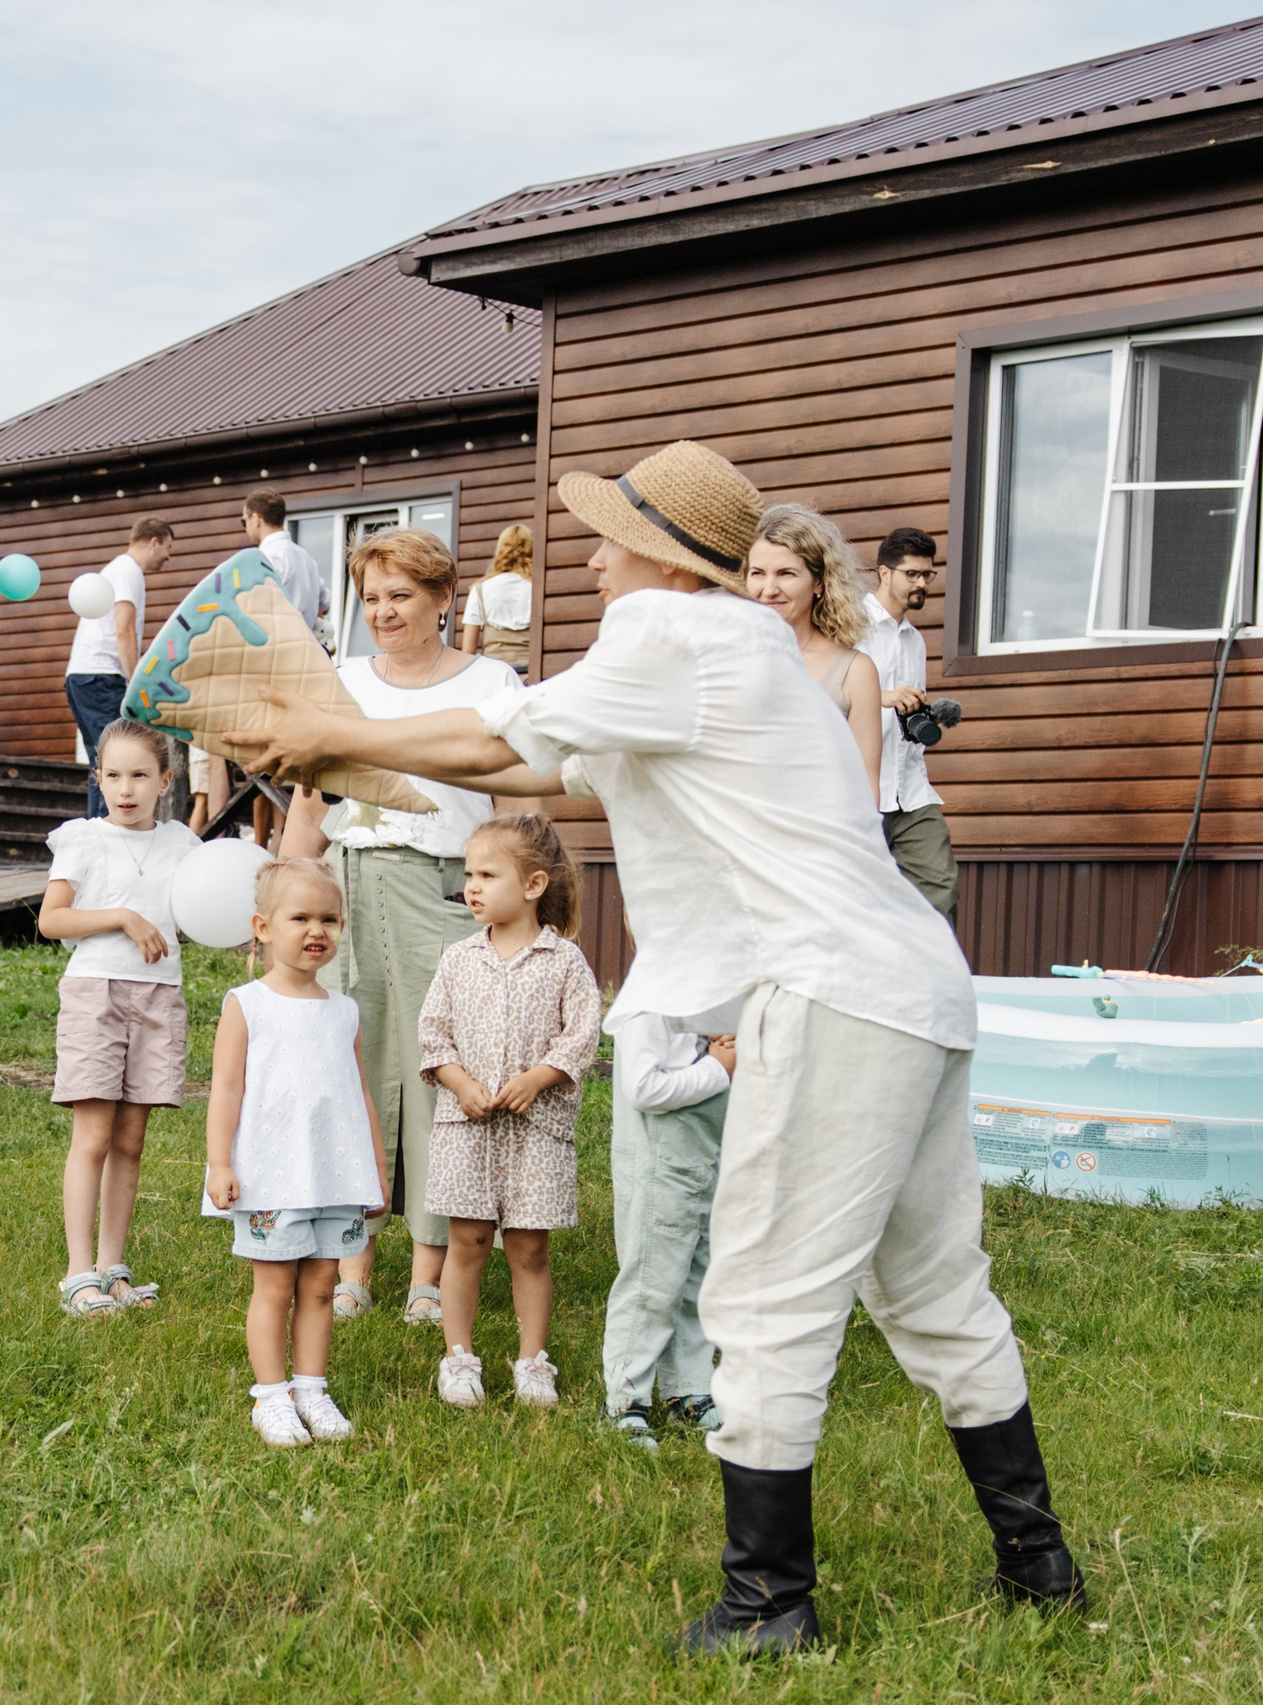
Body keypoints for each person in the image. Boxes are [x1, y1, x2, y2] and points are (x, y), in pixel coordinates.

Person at [246, 439, 1080, 1652]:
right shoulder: (740, 652)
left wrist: (319, 733)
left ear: (667, 561)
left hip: (833, 991)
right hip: (913, 985)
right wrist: (339, 751)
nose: (589, 556)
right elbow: (540, 762)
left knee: (761, 1290)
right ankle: (1038, 1567)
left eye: (611, 538)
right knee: (936, 1288)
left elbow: (494, 751)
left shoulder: (674, 638)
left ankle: (767, 1603)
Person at [281, 528, 520, 1325]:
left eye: (401, 595)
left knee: (438, 1073)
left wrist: (521, 907)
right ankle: (353, 1262)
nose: (382, 611)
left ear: (445, 598)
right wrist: (286, 900)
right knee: (350, 1070)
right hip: (348, 888)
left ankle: (430, 1267)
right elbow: (312, 804)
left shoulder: (493, 681)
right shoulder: (344, 678)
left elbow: (518, 806)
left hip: (446, 894)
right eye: (371, 597)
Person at [203, 857, 387, 1448]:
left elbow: (359, 1092)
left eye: (330, 919)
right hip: (270, 1178)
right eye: (300, 917)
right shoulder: (246, 1003)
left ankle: (312, 1387)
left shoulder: (345, 1010)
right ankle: (271, 1397)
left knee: (320, 1286)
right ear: (263, 927)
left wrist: (375, 1170)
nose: (317, 931)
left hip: (332, 1175)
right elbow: (226, 1087)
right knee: (275, 1287)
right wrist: (220, 1162)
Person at [418, 812, 600, 1410]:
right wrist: (459, 1081)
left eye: (487, 874)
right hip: (466, 1128)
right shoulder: (459, 958)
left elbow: (582, 1035)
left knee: (528, 1246)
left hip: (535, 1131)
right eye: (468, 873)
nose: (471, 886)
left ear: (533, 885)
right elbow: (434, 1035)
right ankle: (459, 1358)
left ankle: (531, 1361)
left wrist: (540, 1077)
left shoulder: (564, 962)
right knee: (466, 1240)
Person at [38, 723, 200, 1317]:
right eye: (112, 776)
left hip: (160, 996)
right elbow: (52, 921)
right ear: (97, 777)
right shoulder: (84, 839)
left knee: (131, 1140)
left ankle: (113, 1267)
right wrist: (122, 917)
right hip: (96, 992)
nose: (125, 789)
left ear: (166, 780)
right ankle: (78, 1273)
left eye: (139, 776)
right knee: (95, 1135)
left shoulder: (183, 844)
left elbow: (214, 903)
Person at [602, 1012, 734, 1448]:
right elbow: (643, 1088)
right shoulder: (649, 1006)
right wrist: (716, 1067)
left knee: (699, 1275)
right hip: (663, 1156)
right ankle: (625, 1398)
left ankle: (688, 1387)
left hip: (705, 1150)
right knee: (652, 1282)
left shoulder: (707, 994)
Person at [748, 505, 880, 796]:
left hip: (820, 837)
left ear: (819, 582)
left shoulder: (854, 671)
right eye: (757, 573)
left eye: (786, 574)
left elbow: (866, 789)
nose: (769, 589)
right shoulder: (728, 658)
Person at [863, 528, 956, 920]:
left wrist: (930, 714)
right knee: (861, 901)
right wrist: (882, 696)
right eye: (912, 574)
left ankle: (934, 978)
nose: (921, 584)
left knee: (941, 889)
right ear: (885, 573)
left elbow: (903, 715)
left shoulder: (915, 641)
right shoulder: (849, 623)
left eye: (927, 575)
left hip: (910, 790)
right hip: (860, 789)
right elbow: (823, 690)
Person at [65, 518, 169, 816]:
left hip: (82, 677)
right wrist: (136, 685)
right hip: (101, 678)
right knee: (114, 764)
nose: (168, 556)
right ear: (153, 542)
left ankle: (98, 841)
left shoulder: (116, 569)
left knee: (102, 766)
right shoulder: (128, 571)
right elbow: (123, 630)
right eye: (167, 547)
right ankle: (107, 843)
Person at [245, 489, 328, 641]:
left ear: (256, 519)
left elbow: (252, 609)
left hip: (276, 649)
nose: (245, 528)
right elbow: (325, 604)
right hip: (307, 650)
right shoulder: (307, 558)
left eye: (244, 521)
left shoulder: (263, 558)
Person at [457, 524, 536, 676]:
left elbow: (468, 651)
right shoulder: (537, 588)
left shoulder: (480, 589)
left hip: (494, 675)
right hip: (533, 673)